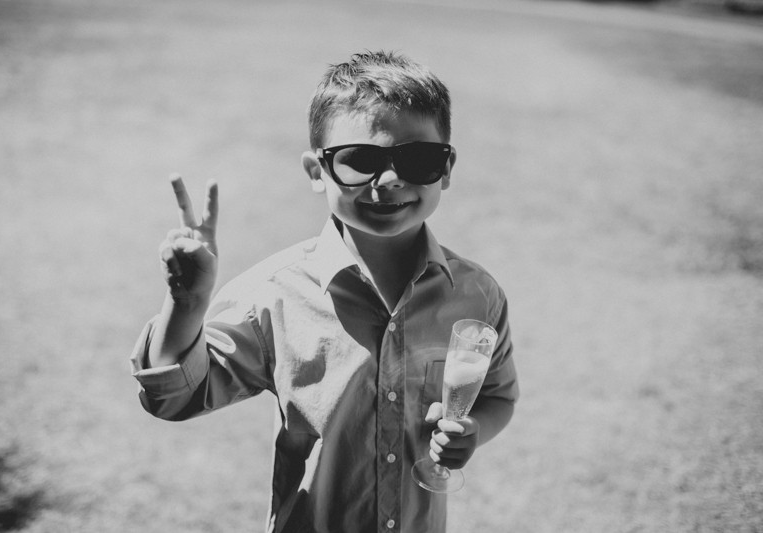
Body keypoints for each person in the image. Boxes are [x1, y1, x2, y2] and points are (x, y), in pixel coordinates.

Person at [130, 50, 518, 533]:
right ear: (317, 172)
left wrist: (474, 432)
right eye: (359, 161)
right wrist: (185, 304)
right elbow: (173, 399)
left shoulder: (477, 295)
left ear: (447, 166)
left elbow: (499, 396)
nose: (390, 180)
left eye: (418, 158)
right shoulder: (275, 294)